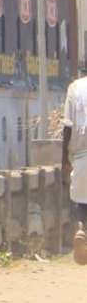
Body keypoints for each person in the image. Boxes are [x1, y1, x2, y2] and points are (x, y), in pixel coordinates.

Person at [67, 65, 87, 264]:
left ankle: (81, 229)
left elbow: (67, 125)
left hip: (82, 155)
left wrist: (65, 159)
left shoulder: (75, 88)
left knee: (80, 201)